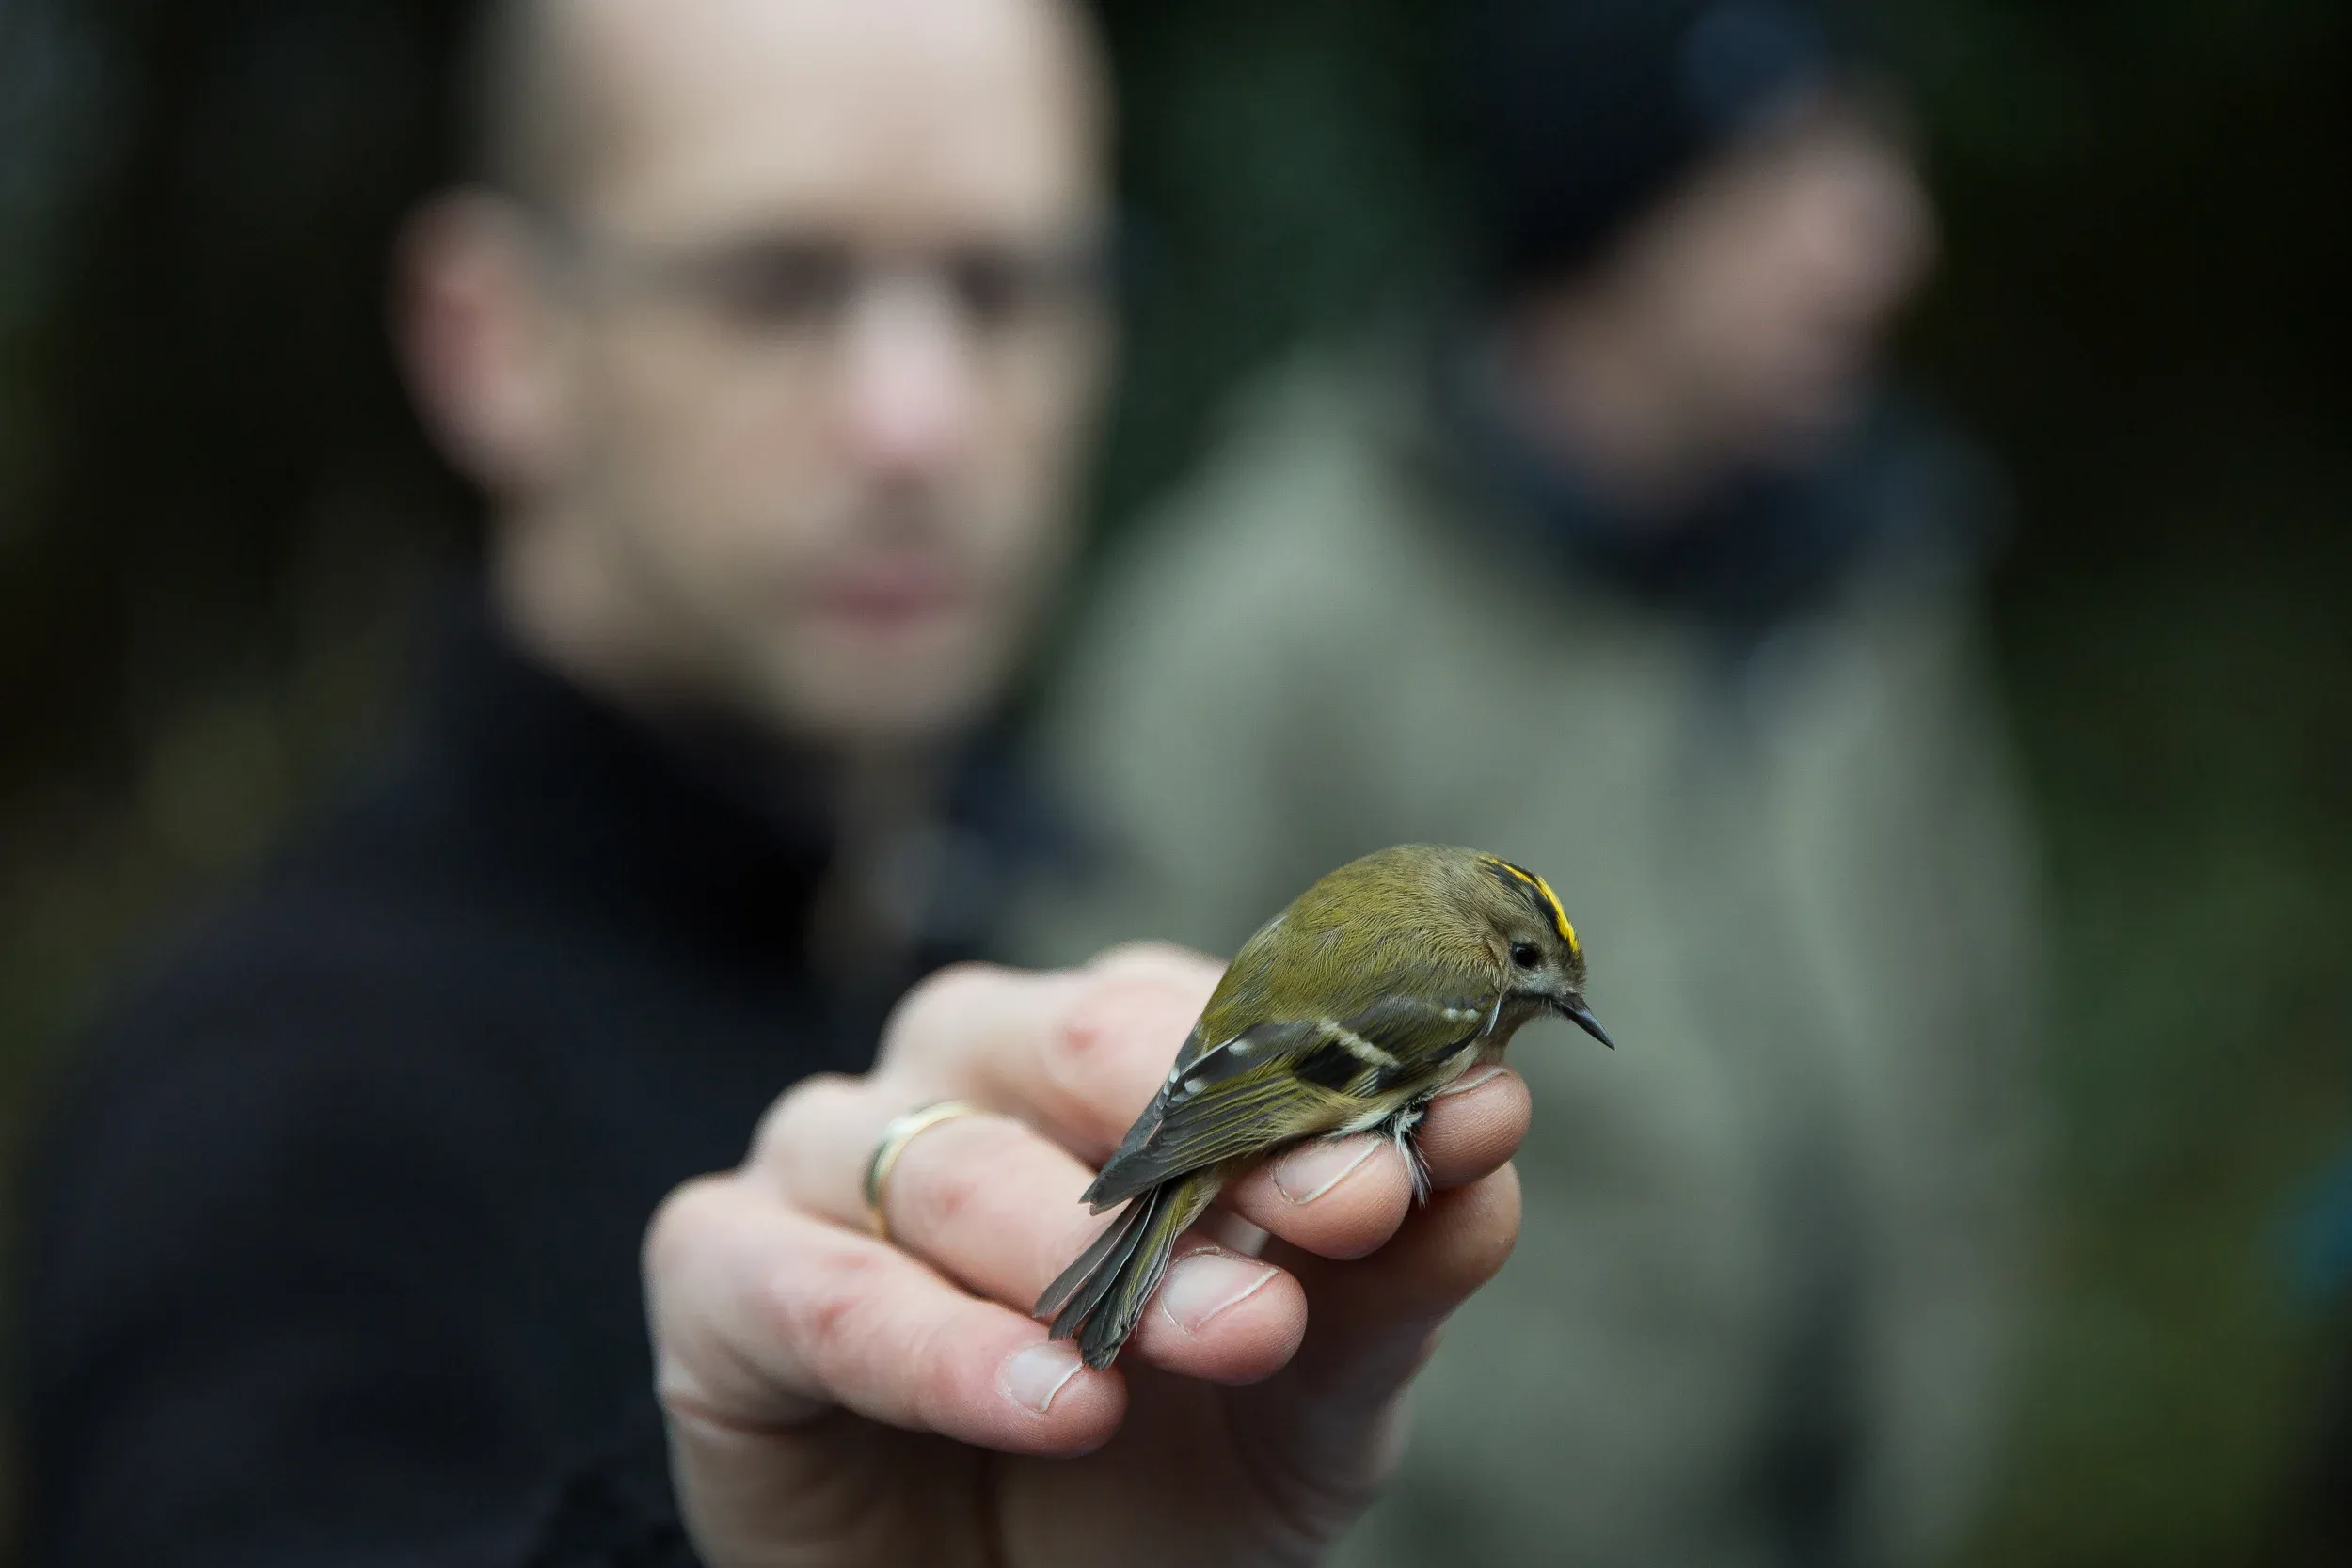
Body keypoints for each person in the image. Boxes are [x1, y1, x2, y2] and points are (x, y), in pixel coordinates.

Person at [9, 1, 1532, 1563]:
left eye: (1006, 285)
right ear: (492, 338)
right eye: (773, 285)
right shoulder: (267, 1093)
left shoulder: (1021, 911)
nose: (915, 422)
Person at [1011, 2, 2046, 1564]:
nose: (1881, 238)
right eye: (1789, 168)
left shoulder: (1864, 567)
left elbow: (1976, 1047)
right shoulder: (1262, 627)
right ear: (1612, 213)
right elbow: (1075, 1070)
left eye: (1876, 150)